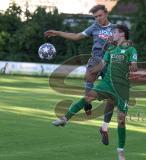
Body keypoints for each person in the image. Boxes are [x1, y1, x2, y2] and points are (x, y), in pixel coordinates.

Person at [52, 24, 138, 160]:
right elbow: (103, 64)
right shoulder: (111, 48)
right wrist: (93, 71)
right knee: (88, 97)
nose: (112, 35)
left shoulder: (131, 50)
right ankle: (65, 118)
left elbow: (134, 66)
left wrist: (132, 67)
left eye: (114, 32)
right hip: (107, 84)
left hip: (122, 88)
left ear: (122, 34)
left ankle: (120, 150)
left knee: (121, 120)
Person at [44, 5, 115, 144]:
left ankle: (104, 128)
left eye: (100, 15)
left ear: (106, 13)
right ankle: (86, 106)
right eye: (95, 17)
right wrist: (57, 33)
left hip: (110, 64)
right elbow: (77, 36)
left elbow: (125, 44)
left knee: (111, 99)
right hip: (95, 61)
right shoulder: (94, 27)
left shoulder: (116, 29)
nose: (98, 19)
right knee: (88, 87)